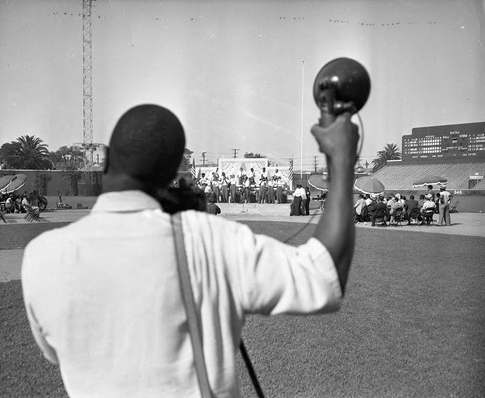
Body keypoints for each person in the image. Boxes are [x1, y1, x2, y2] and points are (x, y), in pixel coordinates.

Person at [22, 105, 359, 397]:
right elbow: (323, 276)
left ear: (107, 159)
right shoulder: (210, 240)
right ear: (172, 176)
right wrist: (342, 161)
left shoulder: (40, 256)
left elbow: (56, 353)